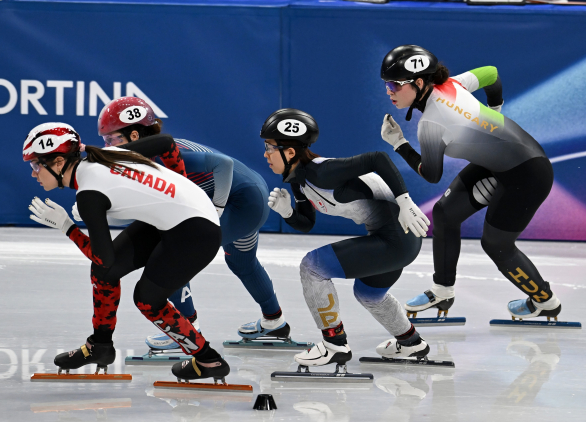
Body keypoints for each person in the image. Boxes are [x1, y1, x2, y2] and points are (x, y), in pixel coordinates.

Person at [84, 97, 297, 352]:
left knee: (174, 251)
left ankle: (186, 329)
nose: (106, 146)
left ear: (134, 135)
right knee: (241, 262)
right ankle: (274, 321)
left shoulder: (160, 158)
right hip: (250, 197)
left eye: (111, 139)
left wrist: (218, 207)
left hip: (242, 202)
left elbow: (224, 164)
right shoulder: (146, 157)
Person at [23, 122, 229, 382]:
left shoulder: (89, 193)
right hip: (177, 218)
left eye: (36, 165)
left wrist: (67, 227)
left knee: (147, 300)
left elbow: (103, 256)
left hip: (198, 233)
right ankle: (100, 346)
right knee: (104, 273)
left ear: (59, 162)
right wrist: (182, 189)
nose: (33, 174)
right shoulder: (108, 154)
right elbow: (165, 143)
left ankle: (209, 360)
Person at [379, 45, 559, 321]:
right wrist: (495, 109)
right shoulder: (452, 84)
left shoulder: (431, 124)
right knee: (445, 213)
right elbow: (491, 74)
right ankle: (442, 291)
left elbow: (431, 174)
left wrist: (399, 143)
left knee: (497, 245)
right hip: (501, 164)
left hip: (528, 175)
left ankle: (545, 301)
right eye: (386, 85)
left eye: (394, 85)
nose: (389, 91)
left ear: (419, 83)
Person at [262, 108, 432, 368]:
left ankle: (334, 344)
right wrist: (287, 213)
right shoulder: (299, 181)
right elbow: (306, 223)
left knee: (313, 266)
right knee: (369, 293)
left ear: (291, 152)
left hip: (397, 237)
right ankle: (411, 342)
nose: (265, 154)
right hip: (395, 239)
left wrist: (405, 200)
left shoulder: (322, 172)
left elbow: (377, 158)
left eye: (270, 147)